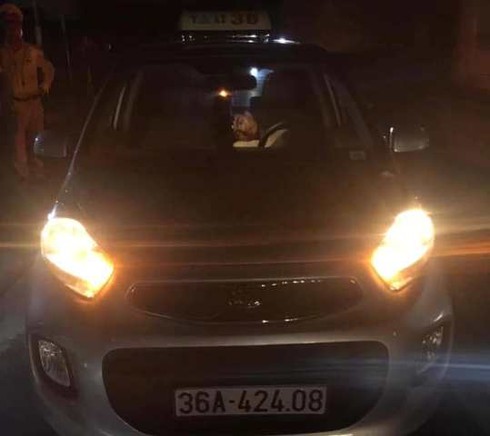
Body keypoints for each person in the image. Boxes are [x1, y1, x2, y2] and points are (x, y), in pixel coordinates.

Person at [0, 3, 54, 180]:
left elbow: (48, 69)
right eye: (8, 24)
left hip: (34, 103)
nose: (12, 29)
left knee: (37, 140)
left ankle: (38, 174)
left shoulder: (32, 51)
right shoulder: (2, 53)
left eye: (15, 24)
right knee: (18, 145)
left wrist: (45, 85)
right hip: (16, 105)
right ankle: (23, 178)